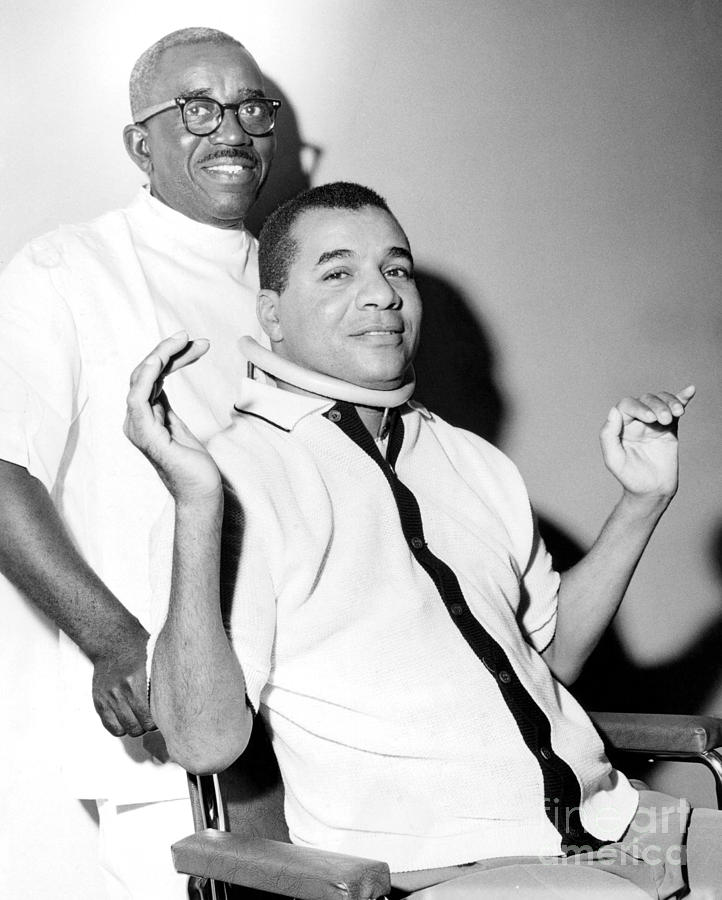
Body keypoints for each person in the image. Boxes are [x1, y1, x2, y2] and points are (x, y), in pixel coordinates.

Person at [125, 182, 718, 898]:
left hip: (615, 824)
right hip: (455, 868)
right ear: (271, 315)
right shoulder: (233, 478)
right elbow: (201, 742)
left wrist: (641, 502)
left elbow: (552, 659)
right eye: (339, 272)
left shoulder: (472, 461)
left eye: (396, 269)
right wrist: (196, 507)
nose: (381, 294)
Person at [0, 26, 279, 899]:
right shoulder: (68, 266)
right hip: (173, 735)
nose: (230, 129)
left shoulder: (297, 281)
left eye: (251, 107)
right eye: (197, 107)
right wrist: (114, 637)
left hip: (317, 717)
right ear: (139, 144)